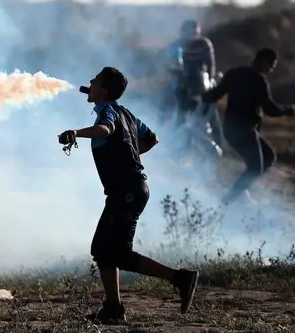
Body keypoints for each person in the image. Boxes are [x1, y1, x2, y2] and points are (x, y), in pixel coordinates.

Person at [58, 66, 199, 324]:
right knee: (103, 249)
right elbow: (152, 138)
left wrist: (76, 133)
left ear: (104, 90)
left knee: (118, 253)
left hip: (128, 191)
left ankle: (180, 278)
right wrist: (129, 153)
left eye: (95, 80)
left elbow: (106, 129)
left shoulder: (108, 112)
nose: (90, 82)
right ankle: (113, 308)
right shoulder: (128, 114)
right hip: (127, 191)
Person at [201, 47, 294, 204]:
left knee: (268, 157)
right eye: (271, 65)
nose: (271, 69)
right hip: (244, 130)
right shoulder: (259, 81)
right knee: (256, 167)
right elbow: (270, 109)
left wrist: (200, 96)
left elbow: (215, 94)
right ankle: (228, 201)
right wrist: (288, 110)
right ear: (263, 61)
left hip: (231, 129)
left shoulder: (235, 73)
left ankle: (241, 190)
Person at [163, 20, 223, 146]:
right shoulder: (176, 45)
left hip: (201, 82)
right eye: (189, 33)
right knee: (176, 110)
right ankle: (173, 143)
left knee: (211, 115)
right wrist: (176, 72)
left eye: (195, 33)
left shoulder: (204, 44)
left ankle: (218, 145)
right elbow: (168, 64)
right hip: (182, 83)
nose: (192, 36)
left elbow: (210, 65)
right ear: (183, 32)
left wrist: (210, 79)